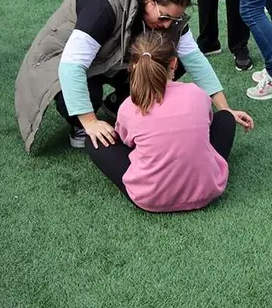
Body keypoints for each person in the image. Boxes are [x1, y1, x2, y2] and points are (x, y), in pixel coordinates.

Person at [14, 0, 246, 152]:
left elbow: (194, 59)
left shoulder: (167, 17)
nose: (167, 25)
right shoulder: (101, 6)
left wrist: (225, 110)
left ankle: (120, 101)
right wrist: (90, 122)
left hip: (112, 60)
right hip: (60, 60)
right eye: (164, 17)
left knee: (171, 57)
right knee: (81, 94)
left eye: (173, 20)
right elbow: (71, 66)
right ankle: (78, 125)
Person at [85, 31, 254, 212]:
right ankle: (200, 173)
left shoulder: (129, 106)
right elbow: (207, 127)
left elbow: (126, 142)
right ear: (174, 62)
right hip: (207, 191)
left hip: (150, 199)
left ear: (132, 66)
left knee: (95, 140)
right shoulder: (197, 93)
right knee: (225, 117)